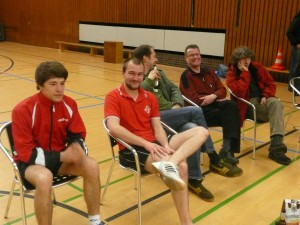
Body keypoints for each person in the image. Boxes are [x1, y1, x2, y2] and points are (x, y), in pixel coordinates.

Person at [104, 57, 209, 225]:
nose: (135, 78)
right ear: (123, 73)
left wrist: (166, 146)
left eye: (139, 74)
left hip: (156, 143)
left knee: (201, 131)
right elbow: (114, 128)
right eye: (131, 73)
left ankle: (170, 163)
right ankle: (186, 222)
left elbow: (157, 127)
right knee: (182, 167)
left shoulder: (149, 97)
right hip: (132, 149)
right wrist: (146, 144)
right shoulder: (113, 96)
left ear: (144, 75)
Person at [133, 45, 243, 202]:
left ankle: (194, 179)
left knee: (194, 128)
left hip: (172, 113)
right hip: (156, 119)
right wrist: (150, 81)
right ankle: (213, 157)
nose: (157, 59)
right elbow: (143, 97)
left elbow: (174, 89)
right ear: (145, 58)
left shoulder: (159, 71)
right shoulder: (139, 78)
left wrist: (177, 105)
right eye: (154, 56)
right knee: (195, 111)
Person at [11, 61, 104, 225]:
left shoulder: (69, 104)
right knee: (44, 177)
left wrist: (77, 146)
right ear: (40, 85)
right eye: (53, 84)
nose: (59, 89)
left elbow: (78, 134)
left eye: (62, 83)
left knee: (91, 165)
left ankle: (95, 220)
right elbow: (27, 154)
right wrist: (62, 155)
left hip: (60, 160)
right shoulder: (22, 110)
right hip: (30, 165)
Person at [226, 46, 291, 165]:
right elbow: (239, 92)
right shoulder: (232, 73)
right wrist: (245, 73)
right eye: (243, 58)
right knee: (276, 108)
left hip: (261, 101)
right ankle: (277, 148)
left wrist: (266, 95)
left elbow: (270, 83)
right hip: (246, 105)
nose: (246, 61)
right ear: (237, 60)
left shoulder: (257, 67)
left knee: (276, 103)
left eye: (249, 58)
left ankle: (276, 147)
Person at [180, 44, 242, 166]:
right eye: (191, 55)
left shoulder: (208, 71)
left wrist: (213, 96)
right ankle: (227, 151)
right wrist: (214, 97)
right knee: (230, 115)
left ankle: (227, 149)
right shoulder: (185, 76)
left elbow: (222, 90)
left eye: (197, 54)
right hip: (200, 112)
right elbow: (194, 99)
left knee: (232, 106)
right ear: (186, 58)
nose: (195, 57)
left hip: (213, 105)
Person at [286, 10, 300, 92]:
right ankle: (292, 87)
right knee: (295, 67)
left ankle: (297, 87)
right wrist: (296, 43)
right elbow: (289, 33)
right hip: (297, 47)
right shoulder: (297, 21)